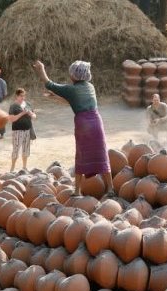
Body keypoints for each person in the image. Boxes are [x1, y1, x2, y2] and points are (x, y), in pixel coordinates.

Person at [32, 60, 115, 198]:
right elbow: (73, 100)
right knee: (102, 154)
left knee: (81, 155)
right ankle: (111, 188)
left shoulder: (72, 89)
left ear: (74, 75)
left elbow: (49, 84)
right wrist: (56, 97)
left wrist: (41, 69)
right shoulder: (90, 87)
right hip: (96, 122)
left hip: (83, 124)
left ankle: (77, 191)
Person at [8, 88, 37, 172]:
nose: (23, 97)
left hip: (27, 130)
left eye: (24, 95)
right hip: (17, 131)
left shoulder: (28, 104)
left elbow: (35, 116)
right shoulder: (13, 106)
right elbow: (11, 119)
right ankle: (12, 168)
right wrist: (22, 113)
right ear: (16, 96)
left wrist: (30, 113)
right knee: (16, 150)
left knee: (26, 150)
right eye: (21, 96)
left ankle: (24, 167)